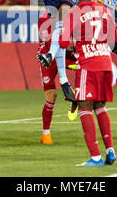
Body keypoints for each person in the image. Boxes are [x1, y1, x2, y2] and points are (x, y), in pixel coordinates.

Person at [59, 0, 117, 167]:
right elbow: (114, 39)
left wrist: (76, 44)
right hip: (106, 63)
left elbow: (62, 43)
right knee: (100, 106)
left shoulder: (74, 13)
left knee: (85, 107)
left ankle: (95, 157)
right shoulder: (104, 10)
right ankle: (110, 150)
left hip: (88, 65)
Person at [37, 10, 78, 144]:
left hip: (65, 52)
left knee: (84, 66)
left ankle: (75, 98)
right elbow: (52, 44)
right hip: (48, 58)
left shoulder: (68, 13)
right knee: (51, 96)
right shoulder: (44, 17)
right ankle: (46, 133)